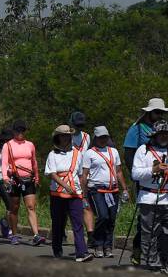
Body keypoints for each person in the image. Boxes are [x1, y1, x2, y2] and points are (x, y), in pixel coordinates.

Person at [123, 97, 167, 265]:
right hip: (144, 177)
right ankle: (139, 251)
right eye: (157, 112)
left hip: (163, 183)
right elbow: (128, 155)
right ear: (149, 113)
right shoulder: (137, 129)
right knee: (146, 221)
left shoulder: (163, 129)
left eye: (162, 112)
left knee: (159, 225)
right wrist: (141, 178)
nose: (160, 115)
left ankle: (160, 258)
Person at [45, 125, 93, 262]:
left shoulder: (78, 154)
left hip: (75, 193)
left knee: (78, 222)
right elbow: (52, 174)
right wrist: (65, 185)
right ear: (58, 137)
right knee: (58, 223)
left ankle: (81, 253)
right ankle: (57, 248)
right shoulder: (52, 154)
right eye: (63, 135)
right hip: (57, 193)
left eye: (68, 135)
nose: (66, 137)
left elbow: (80, 175)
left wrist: (83, 194)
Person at [81, 126, 129, 258]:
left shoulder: (113, 151)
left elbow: (119, 171)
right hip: (97, 189)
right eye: (100, 137)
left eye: (105, 137)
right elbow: (84, 175)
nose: (103, 140)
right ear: (96, 138)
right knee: (103, 216)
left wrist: (124, 188)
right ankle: (97, 244)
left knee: (111, 219)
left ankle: (107, 246)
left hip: (113, 189)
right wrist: (84, 195)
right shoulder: (90, 153)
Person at [131, 119, 168, 272]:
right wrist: (154, 169)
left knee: (165, 233)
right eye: (161, 134)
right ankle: (151, 262)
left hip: (167, 198)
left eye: (166, 134)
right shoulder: (143, 150)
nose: (164, 137)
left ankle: (164, 261)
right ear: (155, 135)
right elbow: (135, 174)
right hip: (148, 198)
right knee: (149, 233)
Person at [1, 119, 45, 246]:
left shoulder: (30, 145)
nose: (20, 132)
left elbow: (34, 162)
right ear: (13, 131)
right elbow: (4, 163)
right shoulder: (8, 145)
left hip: (28, 178)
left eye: (23, 130)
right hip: (14, 180)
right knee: (14, 208)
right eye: (18, 130)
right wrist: (5, 177)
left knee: (31, 206)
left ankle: (36, 235)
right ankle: (14, 235)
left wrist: (36, 176)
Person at [69, 111, 94, 246]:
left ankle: (90, 235)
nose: (78, 128)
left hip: (84, 174)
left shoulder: (86, 137)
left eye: (80, 125)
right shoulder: (66, 136)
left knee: (86, 204)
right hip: (70, 174)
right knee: (69, 206)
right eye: (76, 125)